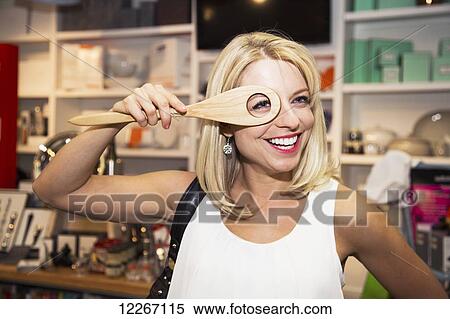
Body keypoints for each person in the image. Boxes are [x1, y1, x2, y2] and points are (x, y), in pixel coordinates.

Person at [32, 32, 447, 298]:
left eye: (300, 100)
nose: (290, 120)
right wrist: (119, 116)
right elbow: (56, 190)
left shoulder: (347, 214)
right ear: (226, 124)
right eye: (261, 103)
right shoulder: (184, 197)